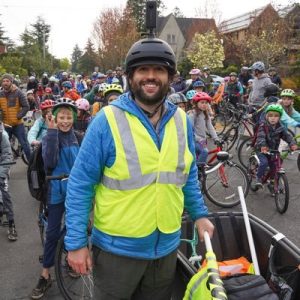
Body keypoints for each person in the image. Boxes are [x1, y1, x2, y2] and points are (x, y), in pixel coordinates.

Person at [65, 35, 214, 300]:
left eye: (159, 70)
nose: (151, 76)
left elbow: (187, 174)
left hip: (166, 248)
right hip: (117, 253)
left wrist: (200, 213)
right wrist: (76, 244)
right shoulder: (106, 120)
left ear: (169, 77)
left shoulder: (181, 120)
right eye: (143, 70)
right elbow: (80, 184)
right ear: (130, 77)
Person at [30, 98, 80, 299]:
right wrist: (51, 133)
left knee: (74, 228)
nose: (65, 121)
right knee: (52, 233)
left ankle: (69, 257)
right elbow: (49, 161)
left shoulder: (79, 137)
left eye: (69, 117)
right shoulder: (51, 136)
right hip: (56, 190)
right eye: (62, 117)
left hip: (75, 191)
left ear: (74, 119)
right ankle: (45, 273)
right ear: (55, 118)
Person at [252, 104, 297, 190]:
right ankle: (258, 178)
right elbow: (261, 137)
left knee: (276, 165)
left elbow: (288, 136)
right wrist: (263, 146)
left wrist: (292, 144)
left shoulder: (281, 128)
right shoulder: (263, 126)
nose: (273, 118)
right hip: (261, 150)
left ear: (279, 118)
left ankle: (272, 180)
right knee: (264, 163)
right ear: (267, 116)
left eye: (276, 116)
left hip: (273, 150)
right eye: (270, 115)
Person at [0, 74, 31, 161]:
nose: (5, 83)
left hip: (18, 124)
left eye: (7, 81)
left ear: (11, 82)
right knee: (3, 146)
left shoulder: (18, 92)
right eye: (3, 81)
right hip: (5, 125)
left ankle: (33, 165)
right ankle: (4, 166)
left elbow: (26, 106)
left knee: (25, 144)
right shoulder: (0, 94)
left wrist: (19, 116)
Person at [188, 92, 219, 166]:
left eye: (206, 103)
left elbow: (210, 127)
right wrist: (198, 139)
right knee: (204, 152)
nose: (204, 104)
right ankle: (197, 172)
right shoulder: (193, 114)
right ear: (196, 103)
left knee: (200, 157)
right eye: (202, 102)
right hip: (194, 140)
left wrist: (216, 138)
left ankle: (200, 169)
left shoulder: (205, 114)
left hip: (202, 141)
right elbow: (189, 130)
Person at [0, 121, 18, 241]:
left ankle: (11, 223)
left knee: (5, 192)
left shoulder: (3, 136)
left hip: (2, 167)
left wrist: (1, 174)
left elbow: (8, 156)